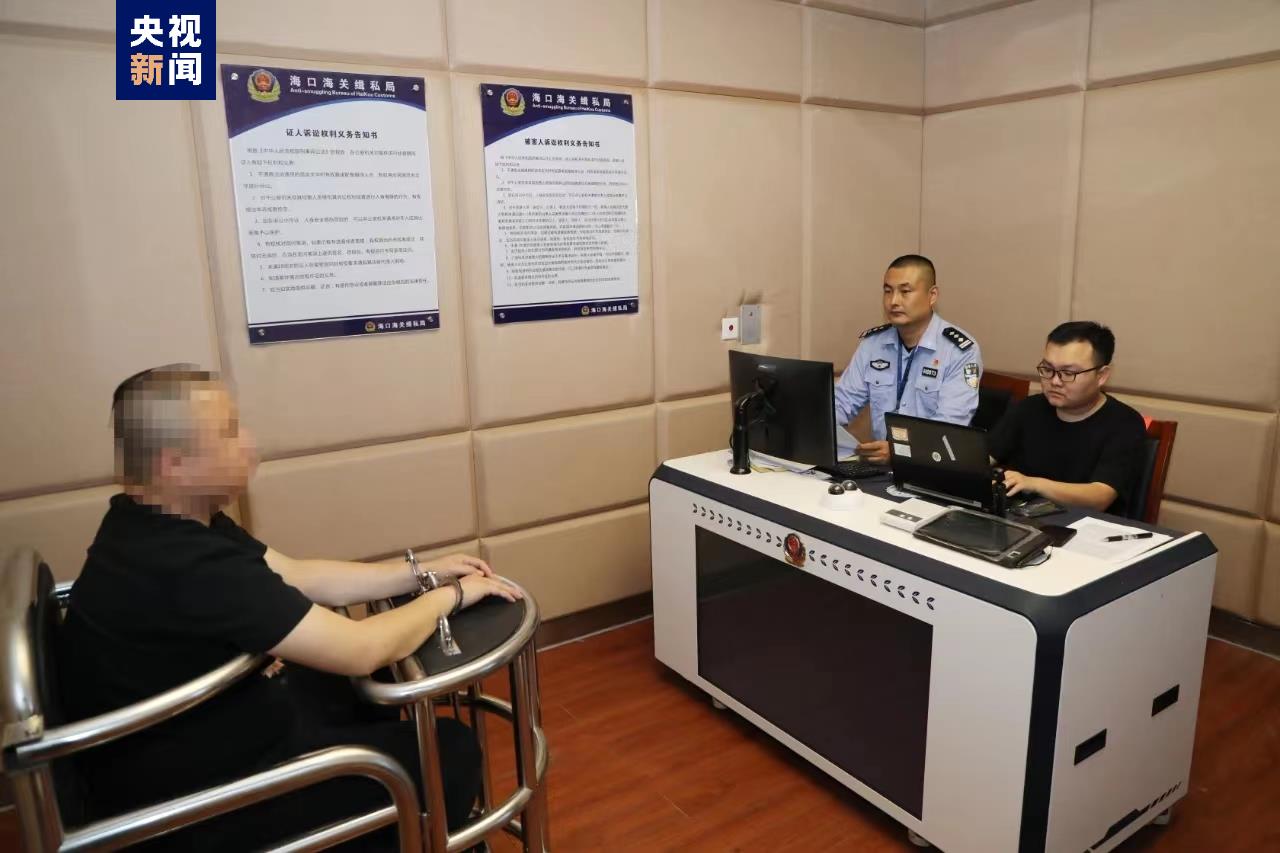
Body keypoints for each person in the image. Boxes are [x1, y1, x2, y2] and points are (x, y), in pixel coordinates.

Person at [59, 365, 522, 851]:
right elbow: (361, 648)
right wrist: (450, 597)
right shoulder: (184, 562)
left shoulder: (159, 521)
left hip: (207, 740)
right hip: (197, 805)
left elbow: (297, 574)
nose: (250, 444)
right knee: (449, 753)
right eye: (229, 433)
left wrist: (421, 572)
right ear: (174, 464)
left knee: (362, 687)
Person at [833, 255, 982, 464]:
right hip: (882, 468)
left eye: (905, 291)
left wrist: (899, 450)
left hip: (931, 466)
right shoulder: (873, 344)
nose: (893, 301)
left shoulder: (960, 351)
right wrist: (814, 422)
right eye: (888, 291)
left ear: (932, 295)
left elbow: (950, 426)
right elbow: (842, 401)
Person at [989, 322, 1146, 515]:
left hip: (1083, 527)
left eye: (1068, 373)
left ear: (1101, 375)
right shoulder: (1028, 408)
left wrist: (1034, 483)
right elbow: (983, 458)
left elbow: (1100, 497)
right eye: (1047, 369)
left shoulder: (1125, 423)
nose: (1055, 381)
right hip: (1021, 520)